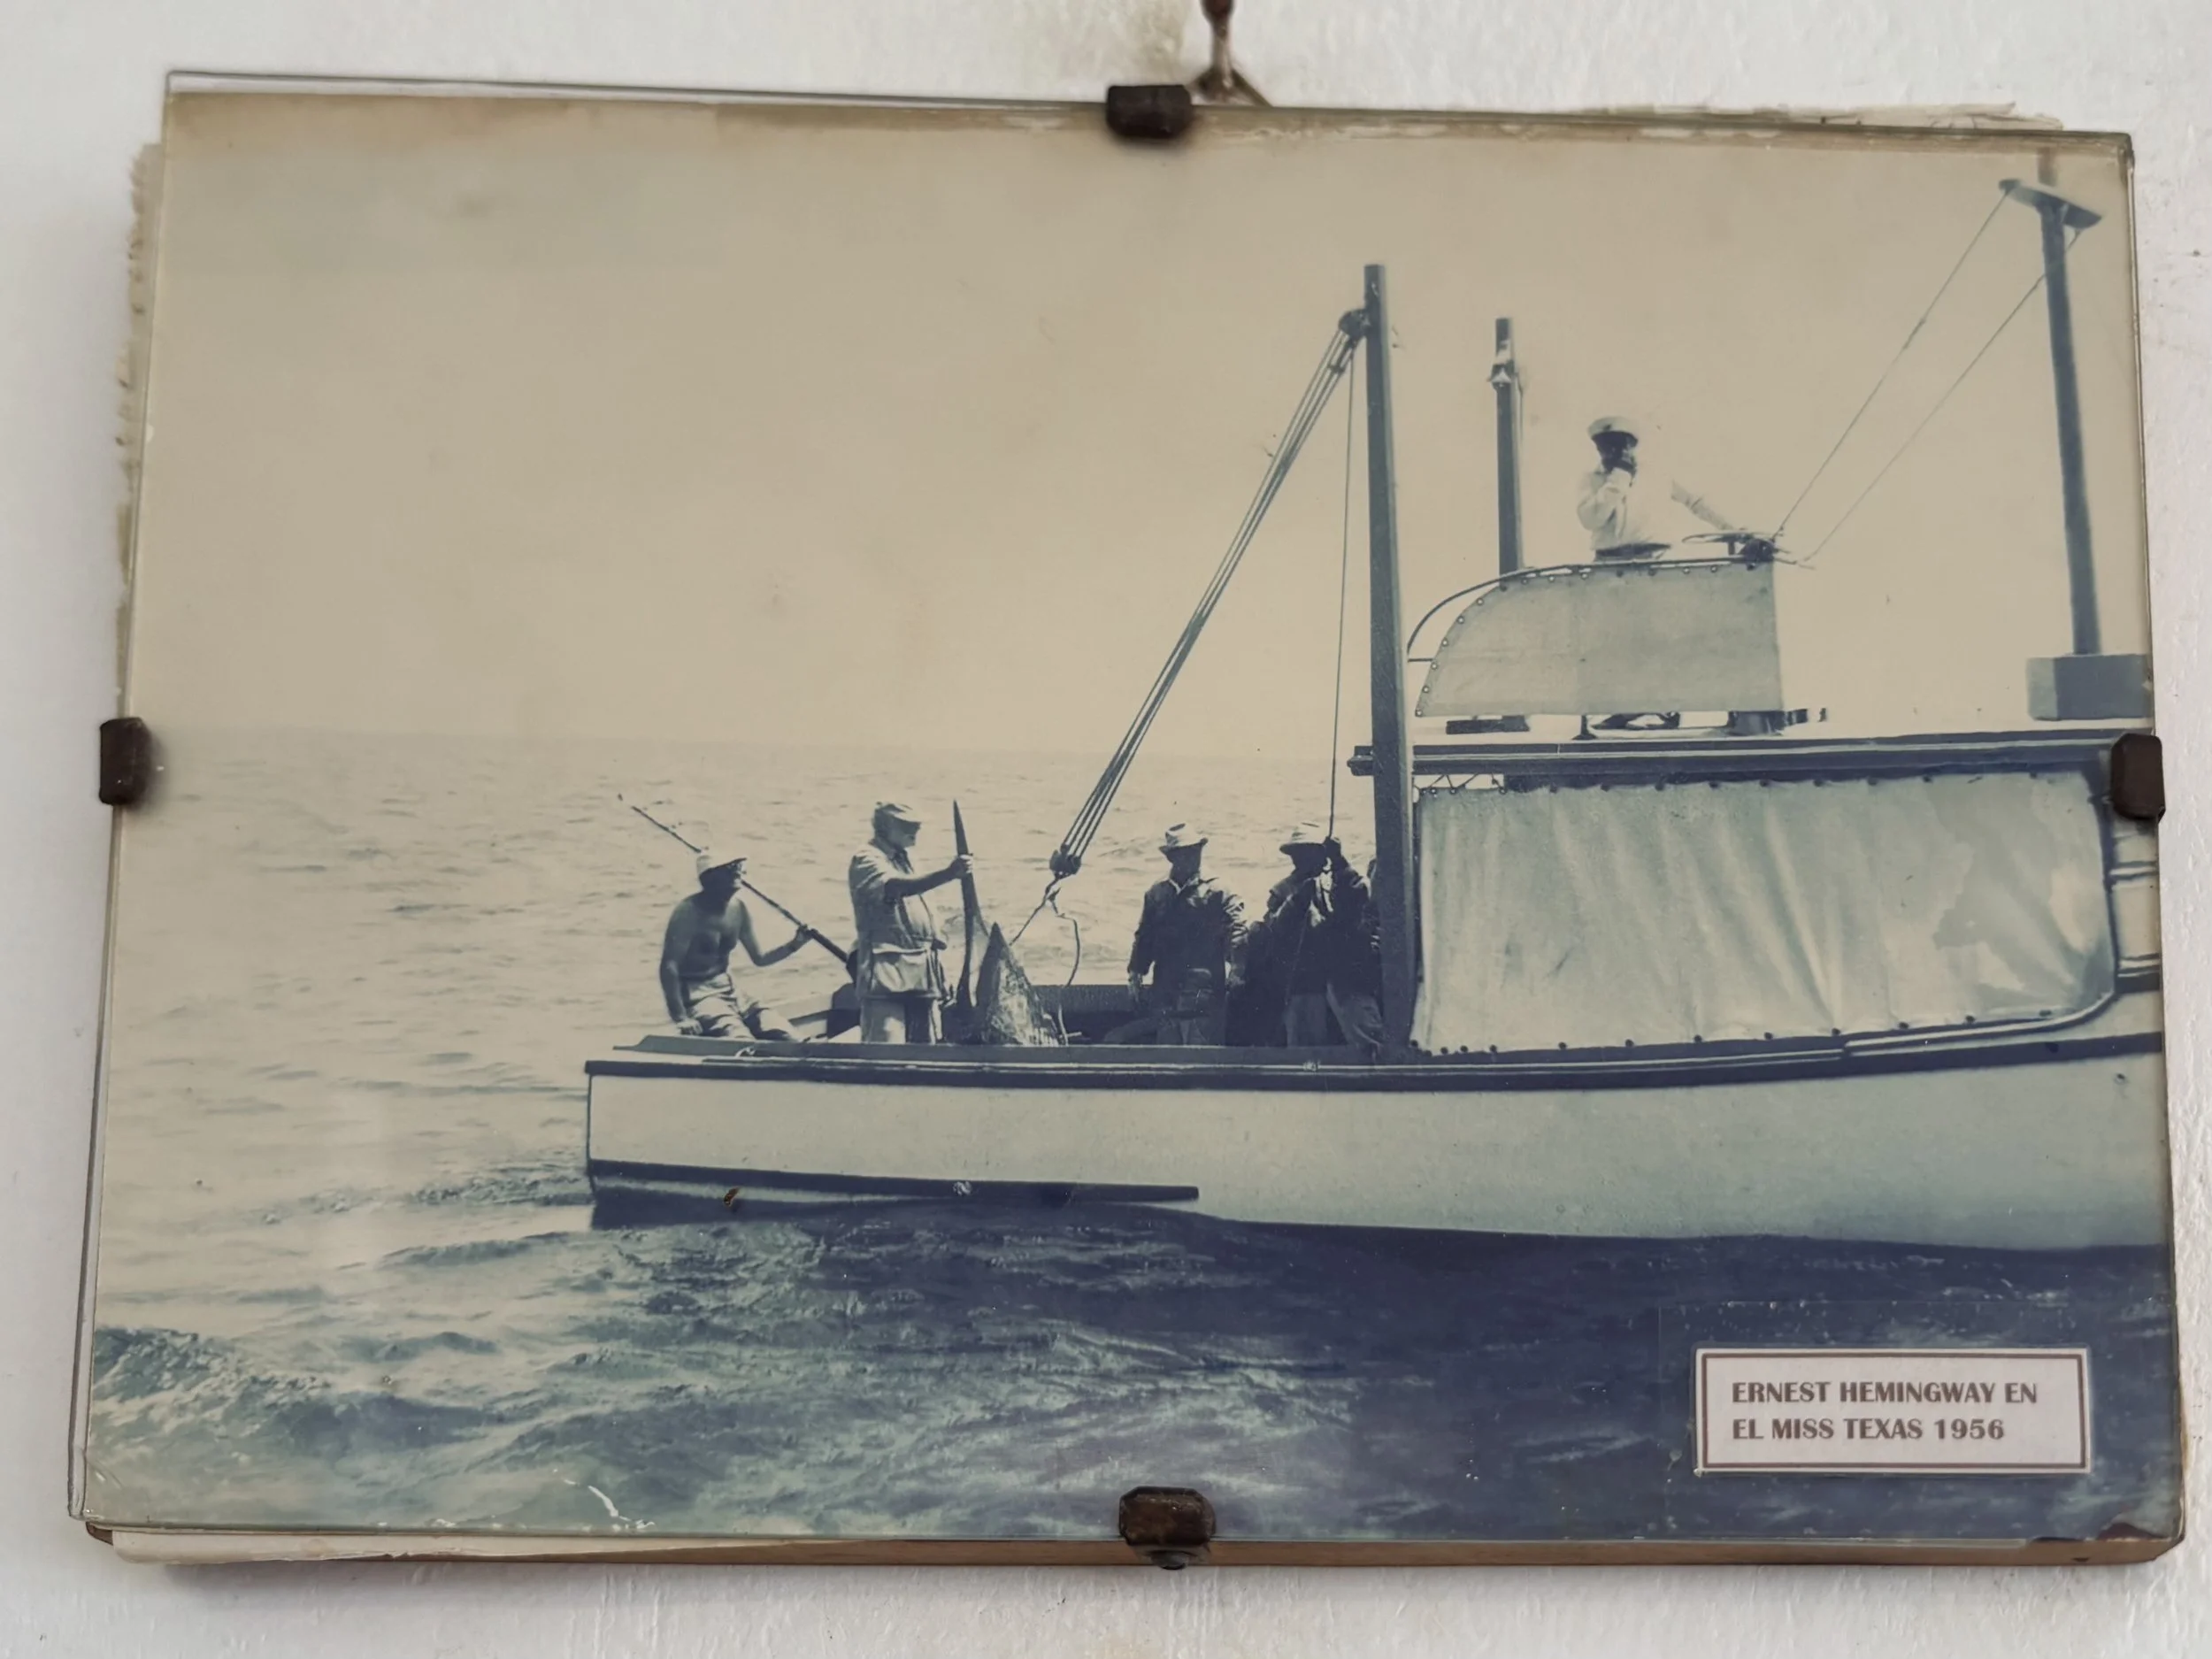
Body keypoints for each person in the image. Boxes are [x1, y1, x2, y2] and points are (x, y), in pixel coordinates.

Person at [1253, 823, 1385, 1054]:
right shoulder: (1283, 891)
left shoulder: (1337, 880)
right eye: (1297, 853)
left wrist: (1340, 862)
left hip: (1342, 983)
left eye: (1308, 851)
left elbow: (1359, 900)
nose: (1300, 859)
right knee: (1306, 1051)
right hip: (1304, 985)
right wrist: (1295, 903)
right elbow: (1272, 931)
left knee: (1361, 1045)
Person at [848, 801, 972, 1044]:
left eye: (917, 824)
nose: (915, 830)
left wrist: (941, 969)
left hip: (923, 972)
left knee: (926, 1046)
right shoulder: (867, 858)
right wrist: (948, 874)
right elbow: (896, 887)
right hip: (887, 975)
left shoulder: (910, 859)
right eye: (906, 825)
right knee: (886, 1046)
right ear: (884, 826)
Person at [1111, 823, 1248, 1045]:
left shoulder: (1220, 890)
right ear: (1172, 857)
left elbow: (1238, 930)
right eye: (1184, 853)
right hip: (1166, 990)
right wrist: (1135, 973)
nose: (1192, 857)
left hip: (1204, 991)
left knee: (1203, 1054)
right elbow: (1145, 936)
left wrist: (1238, 969)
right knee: (1168, 1052)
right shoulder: (1157, 893)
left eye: (1195, 850)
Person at [660, 849, 808, 1040]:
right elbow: (669, 966)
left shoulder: (738, 908)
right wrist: (681, 1017)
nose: (738, 872)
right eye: (730, 868)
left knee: (786, 1033)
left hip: (731, 990)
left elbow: (760, 959)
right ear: (710, 878)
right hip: (699, 996)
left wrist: (795, 944)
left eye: (739, 867)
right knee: (739, 1039)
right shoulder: (688, 912)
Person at [1577, 416, 1742, 560]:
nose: (1612, 453)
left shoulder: (1659, 473)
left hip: (1654, 561)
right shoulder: (1591, 479)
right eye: (1605, 447)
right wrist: (1618, 480)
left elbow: (1697, 502)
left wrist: (1737, 531)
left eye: (1619, 446)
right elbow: (1590, 520)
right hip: (1607, 565)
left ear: (1631, 445)